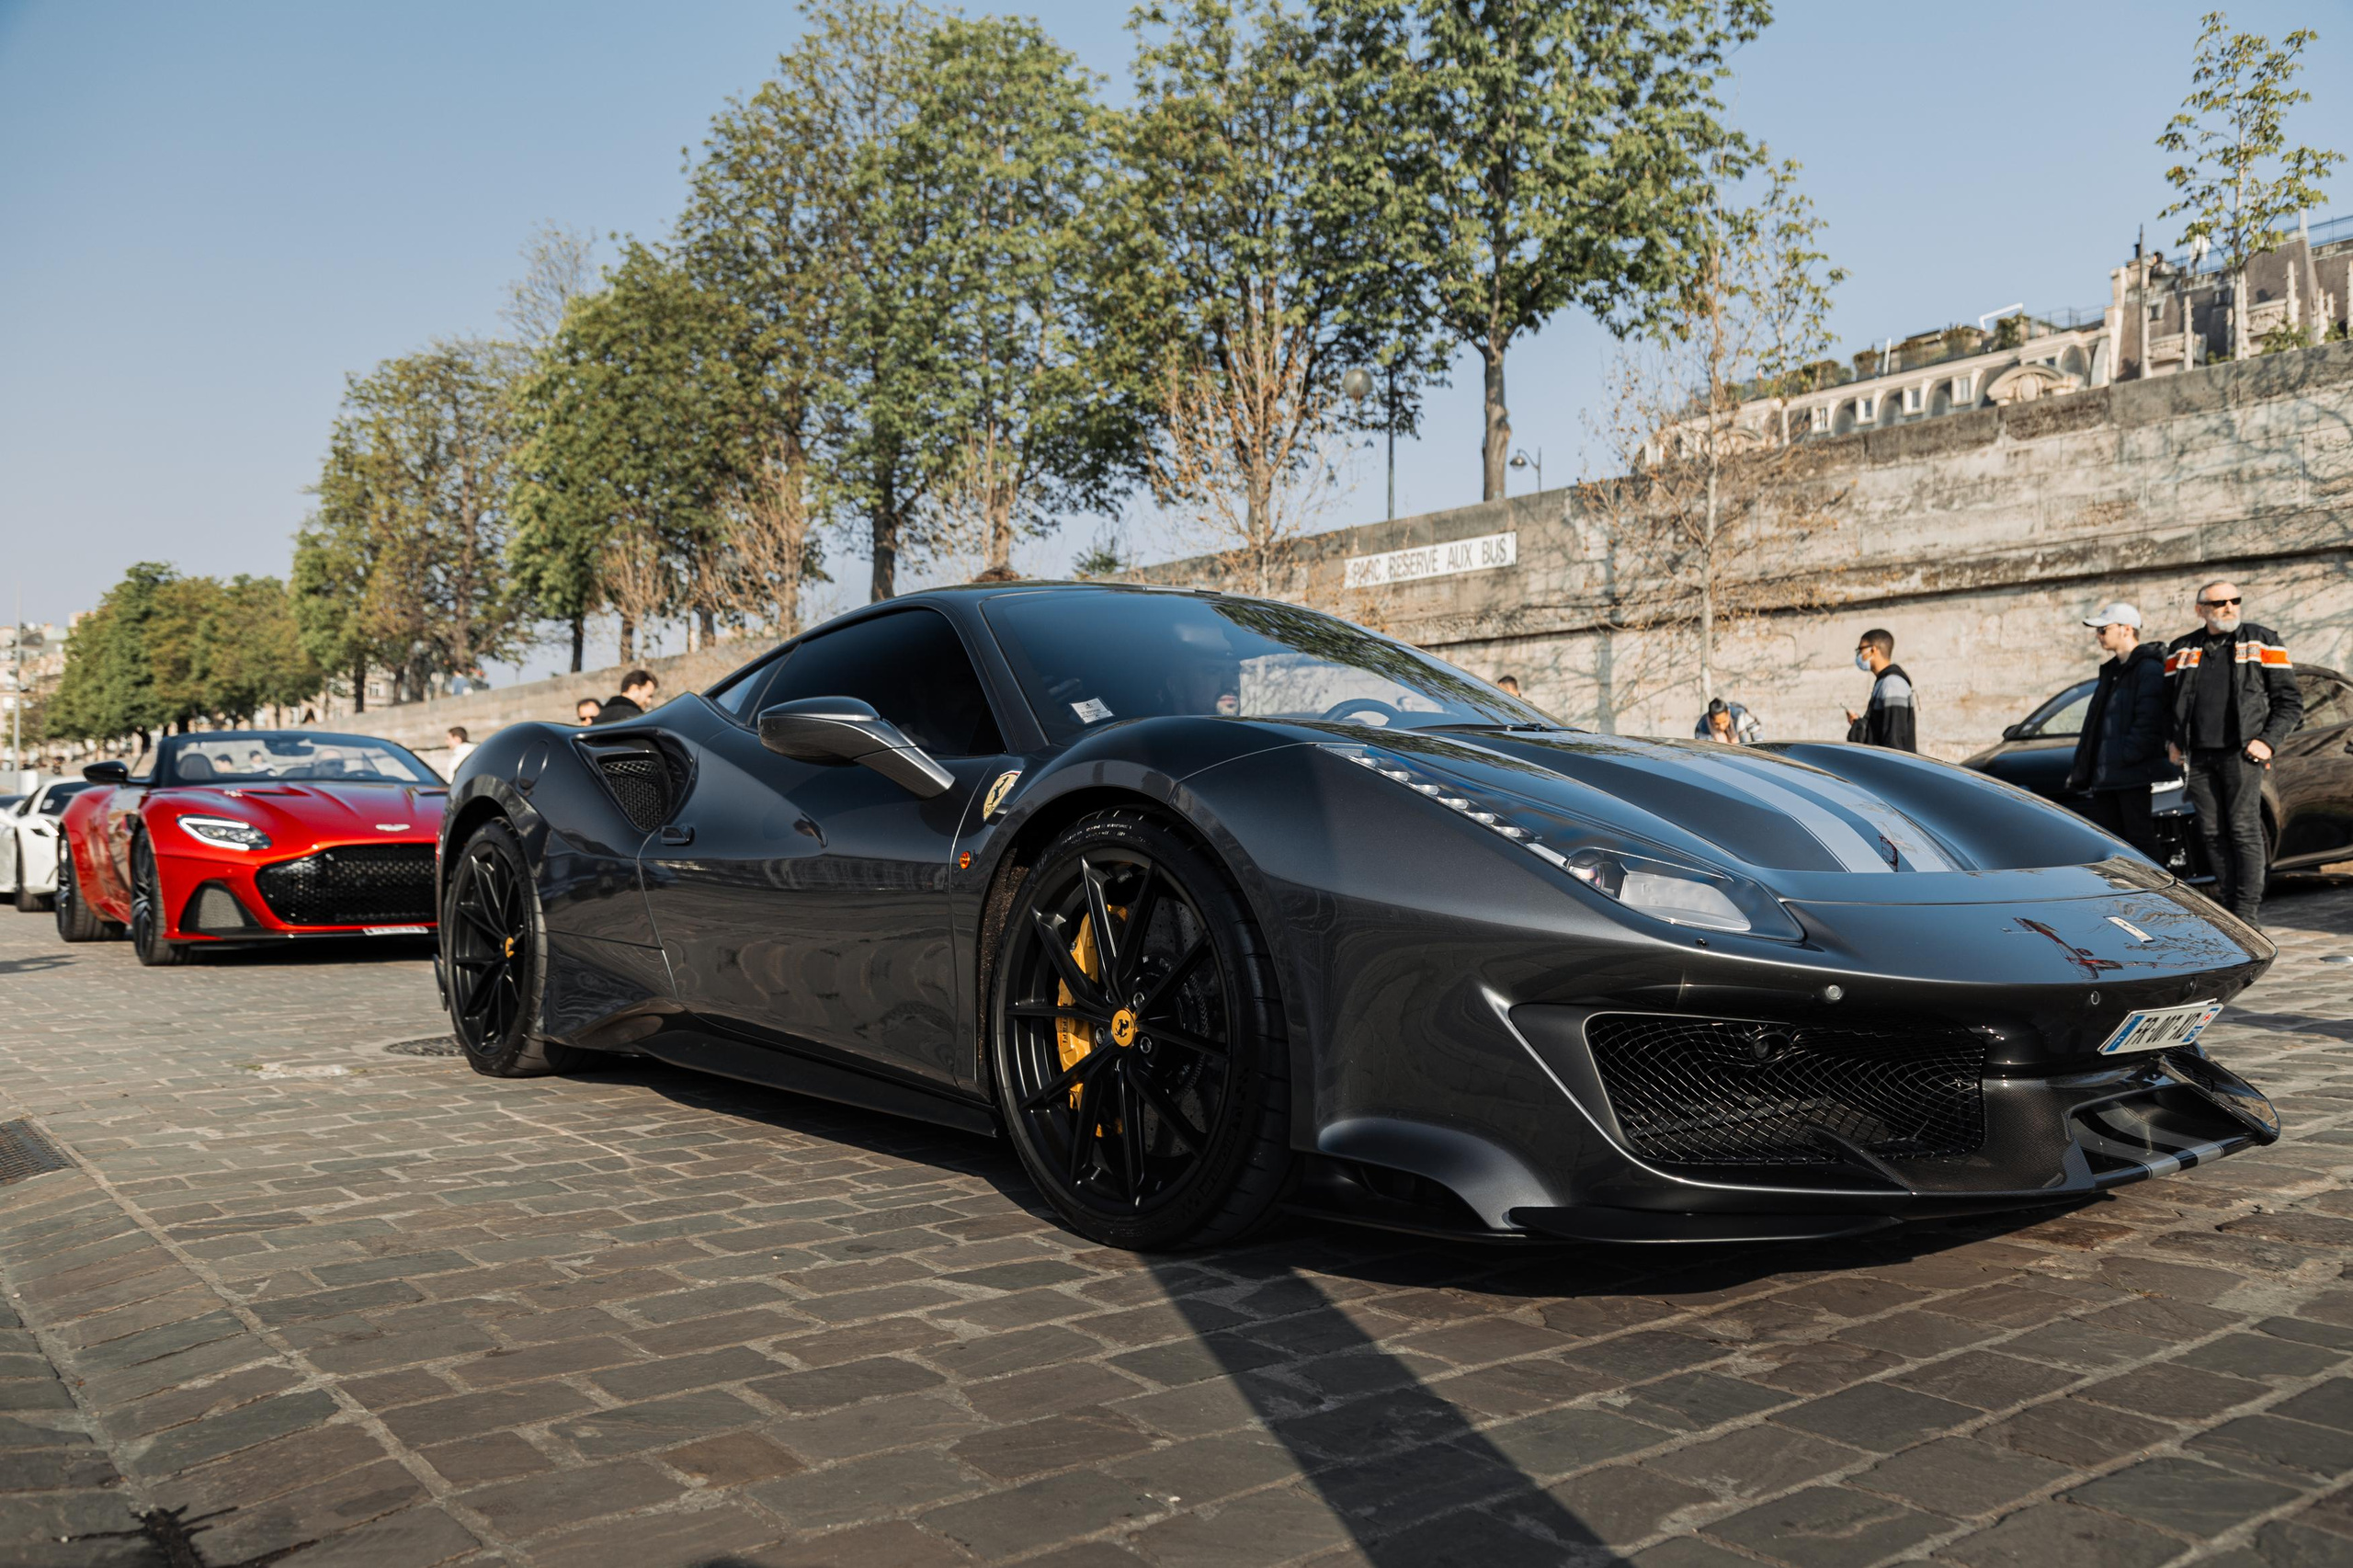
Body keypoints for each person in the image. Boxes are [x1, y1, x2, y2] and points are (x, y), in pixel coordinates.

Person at [2165, 580, 2300, 923]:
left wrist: (2267, 741)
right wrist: (2172, 741)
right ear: (2200, 610)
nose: (2229, 607)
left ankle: (2247, 914)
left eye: (2234, 600)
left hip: (2242, 755)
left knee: (2243, 830)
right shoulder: (2182, 649)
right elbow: (2166, 703)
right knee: (2211, 833)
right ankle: (2230, 910)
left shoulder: (2262, 640)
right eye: (2219, 602)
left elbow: (2289, 702)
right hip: (2198, 757)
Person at [2063, 603, 2169, 859]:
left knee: (2140, 841)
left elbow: (2150, 721)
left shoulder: (2149, 669)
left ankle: (2154, 886)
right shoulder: (2111, 670)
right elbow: (2096, 724)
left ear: (2126, 629)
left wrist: (2125, 756)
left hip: (2131, 773)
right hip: (2107, 775)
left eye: (2104, 630)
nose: (2098, 636)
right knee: (2112, 843)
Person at [1844, 629, 1916, 751]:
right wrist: (1858, 724)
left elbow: (1894, 740)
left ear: (1873, 650)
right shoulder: (1883, 682)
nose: (1859, 655)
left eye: (1860, 650)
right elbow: (1877, 732)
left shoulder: (1892, 684)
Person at [593, 669, 660, 724]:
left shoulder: (599, 716)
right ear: (634, 689)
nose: (649, 701)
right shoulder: (635, 718)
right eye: (649, 696)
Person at [1693, 698, 1763, 745]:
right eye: (1717, 724)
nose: (1722, 727)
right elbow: (1704, 753)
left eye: (1724, 721)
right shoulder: (1702, 728)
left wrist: (1758, 746)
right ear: (1711, 719)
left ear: (1728, 713)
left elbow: (1756, 729)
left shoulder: (1739, 714)